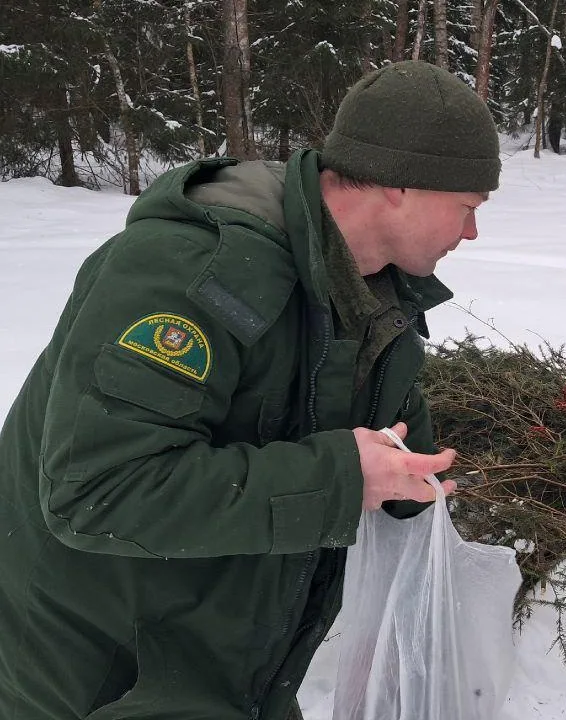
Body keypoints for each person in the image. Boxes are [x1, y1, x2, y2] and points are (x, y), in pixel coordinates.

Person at [0, 61, 499, 719]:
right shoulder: (194, 271)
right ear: (400, 186)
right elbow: (93, 492)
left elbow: (390, 453)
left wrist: (421, 502)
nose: (471, 233)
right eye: (466, 207)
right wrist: (343, 480)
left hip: (225, 674)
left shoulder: (373, 301)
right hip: (99, 680)